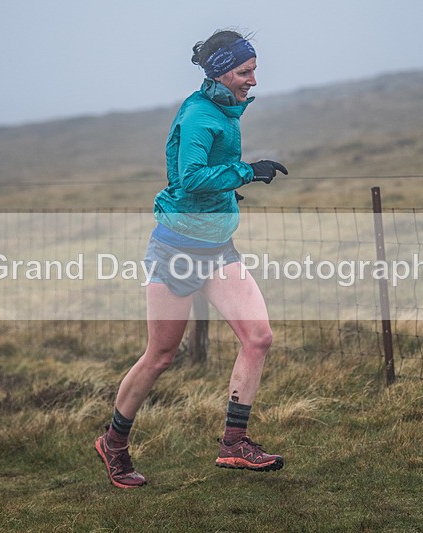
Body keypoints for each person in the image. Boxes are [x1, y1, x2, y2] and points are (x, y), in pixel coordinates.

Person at [95, 29, 288, 489]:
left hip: (218, 250)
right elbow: (190, 177)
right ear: (221, 72)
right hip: (177, 252)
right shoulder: (203, 115)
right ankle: (113, 445)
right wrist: (248, 171)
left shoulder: (224, 108)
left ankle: (234, 444)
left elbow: (205, 180)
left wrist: (230, 189)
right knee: (161, 355)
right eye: (245, 72)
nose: (253, 80)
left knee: (258, 337)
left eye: (254, 69)